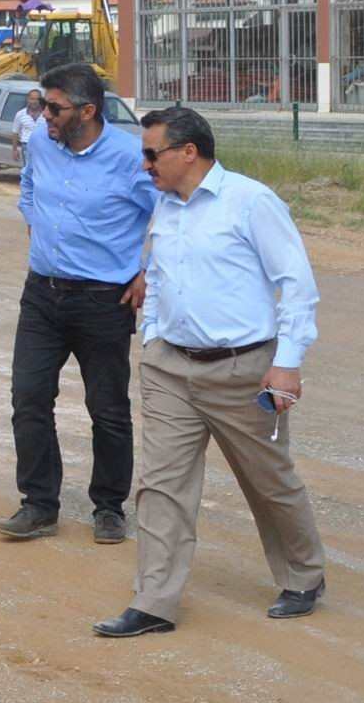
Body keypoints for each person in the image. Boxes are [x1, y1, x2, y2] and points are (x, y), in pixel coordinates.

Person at [94, 107, 327, 638]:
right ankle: (154, 600)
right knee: (161, 487)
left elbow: (296, 284)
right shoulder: (165, 206)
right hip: (170, 368)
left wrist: (286, 364)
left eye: (153, 154)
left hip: (244, 371)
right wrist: (152, 336)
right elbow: (153, 273)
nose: (145, 165)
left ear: (188, 152)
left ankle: (303, 576)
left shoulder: (250, 202)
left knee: (268, 481)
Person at [0, 63, 157, 546]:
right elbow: (28, 183)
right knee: (28, 400)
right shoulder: (43, 142)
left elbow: (173, 213)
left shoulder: (131, 158)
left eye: (53, 107)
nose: (42, 113)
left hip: (103, 302)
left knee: (107, 408)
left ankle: (108, 507)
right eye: (43, 104)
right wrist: (33, 218)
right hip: (42, 295)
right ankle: (39, 504)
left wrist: (151, 271)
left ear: (87, 111)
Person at [13, 89, 46, 161]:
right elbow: (15, 132)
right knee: (28, 170)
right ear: (28, 99)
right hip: (27, 147)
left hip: (43, 147)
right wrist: (15, 150)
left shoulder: (46, 114)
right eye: (32, 99)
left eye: (37, 99)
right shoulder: (20, 114)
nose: (34, 102)